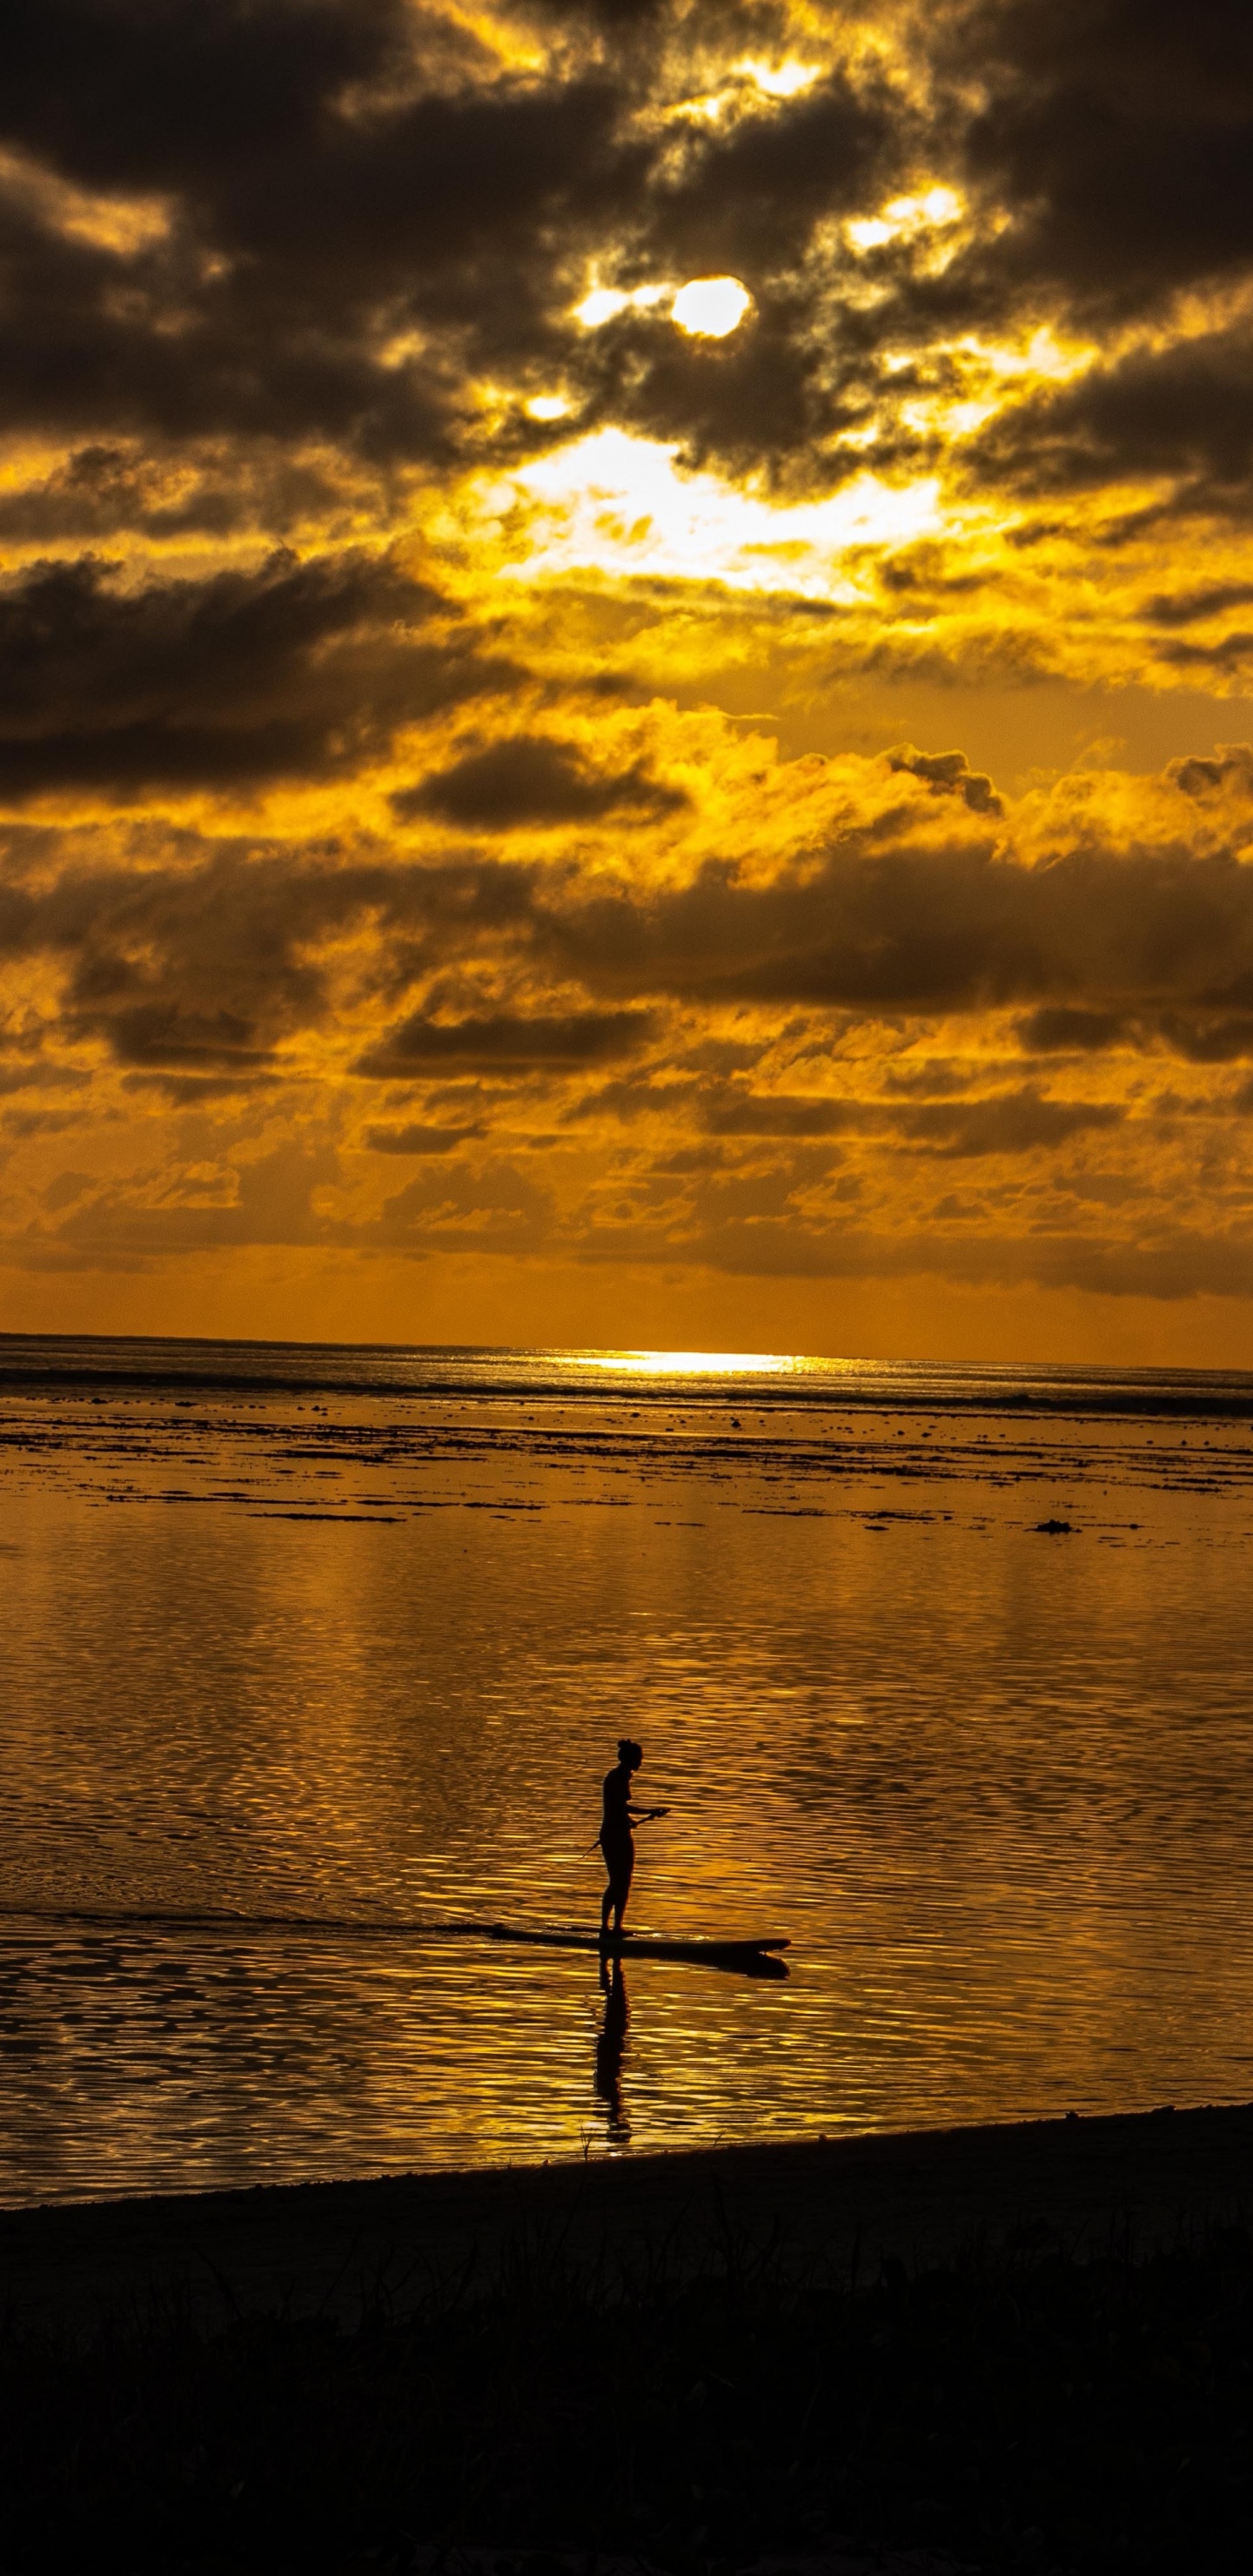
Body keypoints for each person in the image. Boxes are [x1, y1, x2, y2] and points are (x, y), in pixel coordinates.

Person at [598, 1737, 665, 1938]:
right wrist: (649, 1810)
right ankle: (605, 1928)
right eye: (639, 1758)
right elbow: (618, 1806)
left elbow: (619, 1809)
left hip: (621, 1832)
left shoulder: (624, 1776)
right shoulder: (615, 1777)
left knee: (625, 1881)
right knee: (616, 1881)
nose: (642, 1762)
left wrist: (629, 1820)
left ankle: (617, 1927)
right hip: (612, 1835)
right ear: (630, 1759)